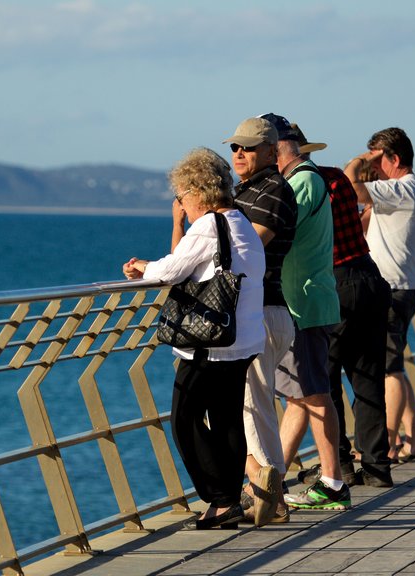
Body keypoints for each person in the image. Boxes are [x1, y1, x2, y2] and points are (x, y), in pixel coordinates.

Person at [123, 147, 266, 530]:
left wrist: (140, 267)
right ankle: (230, 502)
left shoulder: (206, 227)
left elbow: (169, 270)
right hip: (243, 338)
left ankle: (219, 498)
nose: (181, 205)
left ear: (197, 192)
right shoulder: (243, 223)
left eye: (183, 197)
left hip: (209, 343)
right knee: (227, 420)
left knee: (184, 418)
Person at [262, 115, 394, 490]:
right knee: (367, 378)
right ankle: (377, 466)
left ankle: (336, 468)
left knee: (322, 381)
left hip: (334, 281)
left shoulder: (298, 186)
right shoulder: (334, 177)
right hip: (369, 275)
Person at [255, 114, 349, 511]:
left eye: (259, 150)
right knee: (298, 396)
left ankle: (332, 482)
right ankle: (268, 483)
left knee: (314, 392)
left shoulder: (302, 182)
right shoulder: (304, 179)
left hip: (304, 303)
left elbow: (272, 229)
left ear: (276, 148)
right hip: (300, 301)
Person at [223, 117, 298, 525]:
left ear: (272, 151)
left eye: (248, 147)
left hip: (264, 311)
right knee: (254, 407)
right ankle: (269, 492)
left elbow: (244, 252)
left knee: (254, 406)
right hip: (259, 312)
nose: (239, 153)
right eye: (235, 147)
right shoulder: (247, 190)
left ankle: (271, 495)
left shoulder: (273, 192)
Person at [345, 127, 415, 464]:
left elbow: (351, 187)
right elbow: (367, 224)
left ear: (394, 159)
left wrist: (357, 162)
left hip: (392, 289)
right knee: (393, 363)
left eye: (377, 160)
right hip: (405, 286)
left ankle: (387, 444)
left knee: (389, 371)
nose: (374, 167)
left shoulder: (402, 189)